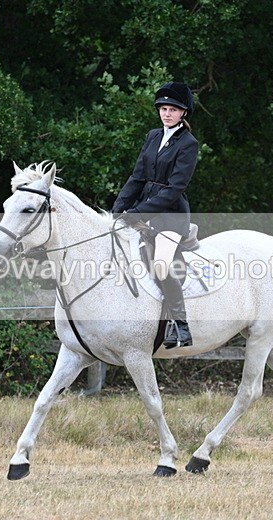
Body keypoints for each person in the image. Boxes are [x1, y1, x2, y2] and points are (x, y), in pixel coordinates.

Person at [112, 82, 198, 349]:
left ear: (183, 113)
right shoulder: (152, 136)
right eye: (163, 108)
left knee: (161, 263)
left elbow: (175, 189)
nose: (167, 113)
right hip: (143, 209)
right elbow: (137, 177)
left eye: (173, 109)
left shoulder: (188, 143)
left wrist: (137, 212)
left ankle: (181, 326)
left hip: (170, 215)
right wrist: (117, 209)